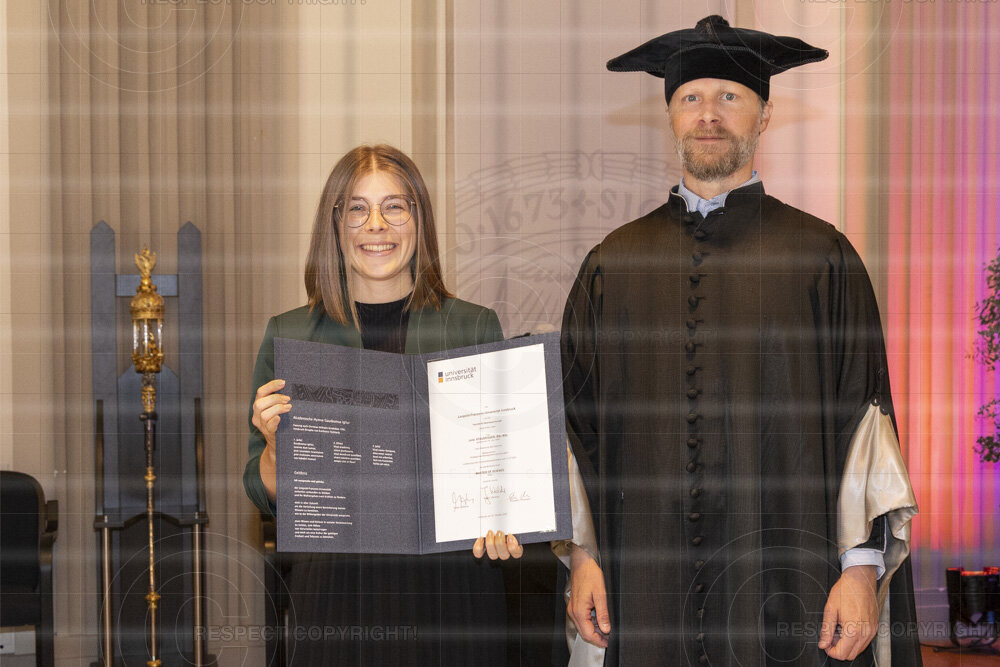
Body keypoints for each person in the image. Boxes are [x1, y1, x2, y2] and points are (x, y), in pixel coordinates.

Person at [560, 16, 921, 667]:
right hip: (648, 587)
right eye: (691, 97)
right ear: (669, 115)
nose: (708, 114)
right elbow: (576, 427)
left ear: (765, 114)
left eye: (729, 96)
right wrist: (583, 557)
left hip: (790, 581)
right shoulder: (613, 264)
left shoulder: (821, 257)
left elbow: (864, 418)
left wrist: (861, 568)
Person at [243, 144, 524, 664]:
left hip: (451, 586)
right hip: (335, 593)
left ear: (419, 220)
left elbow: (503, 471)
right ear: (336, 225)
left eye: (394, 206)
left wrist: (508, 519)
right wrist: (277, 448)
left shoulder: (472, 326)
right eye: (357, 208)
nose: (376, 225)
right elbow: (264, 492)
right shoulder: (291, 336)